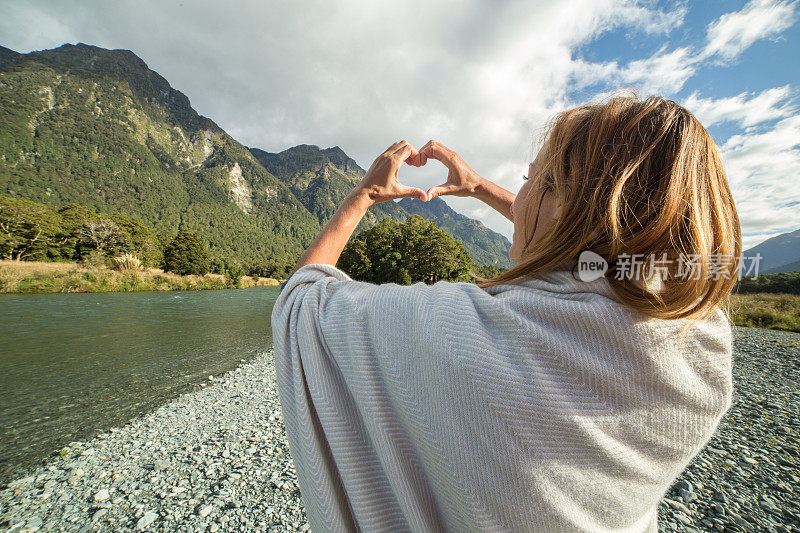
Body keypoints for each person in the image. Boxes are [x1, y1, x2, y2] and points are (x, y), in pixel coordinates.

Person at [270, 95, 739, 532]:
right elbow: (591, 250)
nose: (522, 193)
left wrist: (365, 195)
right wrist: (476, 187)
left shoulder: (464, 332)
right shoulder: (697, 338)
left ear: (564, 204)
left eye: (530, 178)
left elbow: (299, 300)